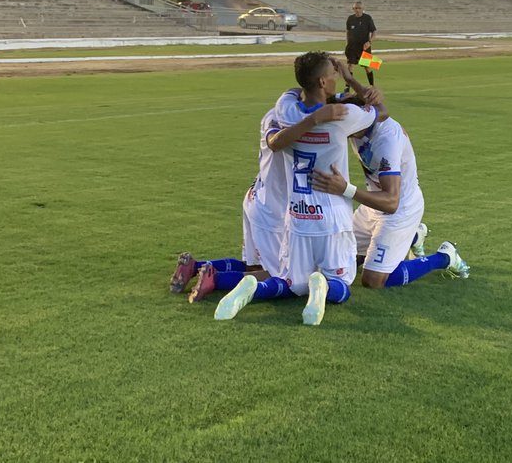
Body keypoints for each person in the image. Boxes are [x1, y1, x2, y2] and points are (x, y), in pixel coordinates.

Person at [214, 51, 388, 325]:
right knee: (342, 281)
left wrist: (314, 113)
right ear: (322, 82)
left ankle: (255, 288)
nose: (335, 80)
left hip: (298, 216)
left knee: (292, 283)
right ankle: (325, 287)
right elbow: (381, 112)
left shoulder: (286, 109)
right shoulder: (343, 117)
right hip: (332, 215)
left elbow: (281, 127)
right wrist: (354, 82)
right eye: (332, 76)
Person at [169, 103, 347, 301]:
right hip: (273, 210)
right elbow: (278, 142)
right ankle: (216, 280)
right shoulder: (298, 121)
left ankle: (196, 266)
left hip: (257, 196)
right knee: (282, 277)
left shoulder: (276, 113)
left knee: (255, 267)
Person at [311, 95, 470, 289]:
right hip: (372, 206)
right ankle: (413, 237)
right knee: (338, 263)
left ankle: (444, 257)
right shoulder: (364, 122)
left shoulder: (386, 142)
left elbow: (391, 201)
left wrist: (345, 189)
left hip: (399, 210)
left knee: (373, 280)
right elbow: (363, 101)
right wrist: (349, 76)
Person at [345, 1, 377, 90]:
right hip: (352, 46)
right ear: (353, 9)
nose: (357, 10)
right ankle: (347, 87)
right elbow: (348, 32)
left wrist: (370, 42)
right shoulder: (350, 18)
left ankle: (372, 86)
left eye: (359, 8)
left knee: (367, 67)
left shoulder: (367, 18)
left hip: (364, 47)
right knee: (350, 66)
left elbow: (374, 32)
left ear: (363, 9)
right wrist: (347, 43)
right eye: (355, 8)